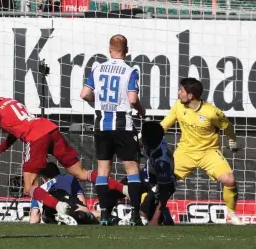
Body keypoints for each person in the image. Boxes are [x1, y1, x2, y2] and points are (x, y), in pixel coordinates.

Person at [0, 80, 128, 225]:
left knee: (29, 187)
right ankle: (125, 189)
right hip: (50, 128)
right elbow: (14, 134)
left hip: (36, 137)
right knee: (81, 173)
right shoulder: (11, 101)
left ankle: (58, 206)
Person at [79, 34, 146, 226]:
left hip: (102, 125)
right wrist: (141, 110)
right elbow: (132, 100)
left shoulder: (98, 68)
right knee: (132, 169)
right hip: (123, 124)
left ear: (109, 50)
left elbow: (84, 94)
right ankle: (134, 215)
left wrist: (95, 100)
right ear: (126, 50)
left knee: (103, 171)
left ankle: (106, 214)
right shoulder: (130, 70)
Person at [160, 77, 244, 225]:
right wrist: (145, 136)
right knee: (163, 181)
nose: (179, 93)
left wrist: (232, 140)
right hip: (185, 152)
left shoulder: (211, 112)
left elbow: (227, 126)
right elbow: (164, 125)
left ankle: (231, 214)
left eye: (181, 90)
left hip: (208, 153)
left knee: (229, 180)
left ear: (190, 95)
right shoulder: (178, 106)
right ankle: (154, 211)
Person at [30, 162, 124, 225]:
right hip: (63, 198)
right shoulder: (69, 177)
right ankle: (115, 220)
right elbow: (82, 202)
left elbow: (34, 219)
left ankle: (64, 216)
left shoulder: (39, 190)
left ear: (43, 178)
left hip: (49, 209)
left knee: (51, 215)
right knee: (84, 211)